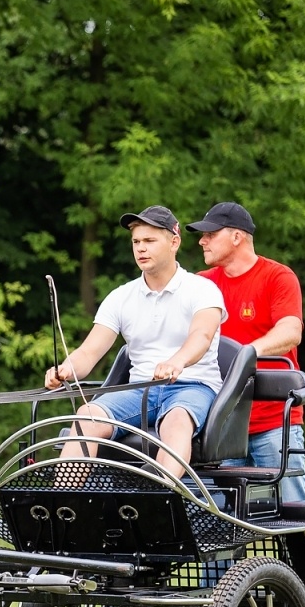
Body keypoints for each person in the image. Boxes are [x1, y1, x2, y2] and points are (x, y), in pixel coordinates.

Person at [44, 205, 226, 480]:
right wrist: (66, 369)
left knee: (176, 422)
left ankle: (161, 500)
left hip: (192, 387)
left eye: (150, 241)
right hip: (139, 390)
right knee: (86, 414)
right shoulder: (121, 297)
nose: (141, 248)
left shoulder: (202, 290)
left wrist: (177, 362)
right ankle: (65, 506)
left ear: (174, 242)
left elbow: (201, 336)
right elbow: (89, 352)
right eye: (136, 242)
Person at [187, 202, 305, 501]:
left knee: (292, 512)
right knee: (218, 519)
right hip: (221, 425)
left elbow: (291, 332)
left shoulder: (277, 277)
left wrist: (246, 353)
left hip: (272, 421)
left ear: (237, 237)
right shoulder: (200, 283)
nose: (202, 241)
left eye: (210, 234)